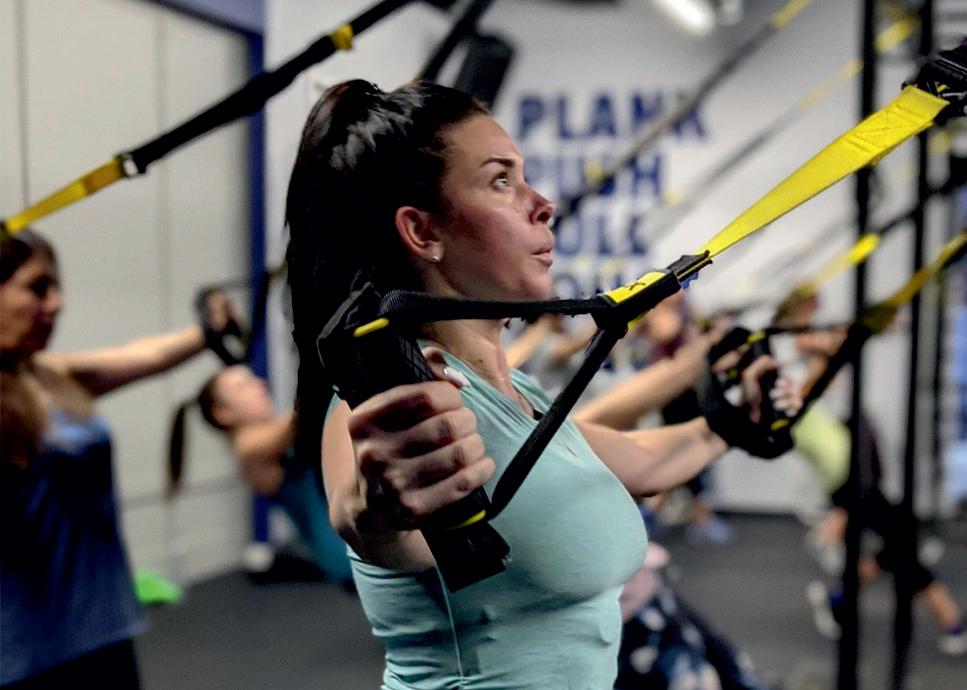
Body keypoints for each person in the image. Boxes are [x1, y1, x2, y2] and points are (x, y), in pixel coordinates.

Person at [284, 80, 797, 688]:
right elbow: (378, 524)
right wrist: (378, 508)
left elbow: (640, 457)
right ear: (424, 232)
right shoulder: (391, 405)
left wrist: (732, 423)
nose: (543, 203)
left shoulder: (519, 394)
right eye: (502, 181)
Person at [0, 228, 236, 688]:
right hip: (26, 655)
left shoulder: (47, 374)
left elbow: (144, 355)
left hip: (103, 630)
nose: (57, 303)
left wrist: (208, 329)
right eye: (38, 288)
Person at [780, 294, 966, 656]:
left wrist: (866, 329)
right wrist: (849, 336)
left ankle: (839, 596)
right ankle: (950, 620)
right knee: (903, 545)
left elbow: (825, 351)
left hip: (858, 468)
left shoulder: (808, 383)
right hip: (847, 478)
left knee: (897, 547)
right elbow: (820, 359)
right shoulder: (794, 398)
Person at [168, 364, 353, 586]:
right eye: (243, 386)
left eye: (253, 379)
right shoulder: (246, 448)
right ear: (223, 413)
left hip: (357, 539)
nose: (260, 384)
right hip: (343, 553)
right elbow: (303, 412)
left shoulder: (277, 433)